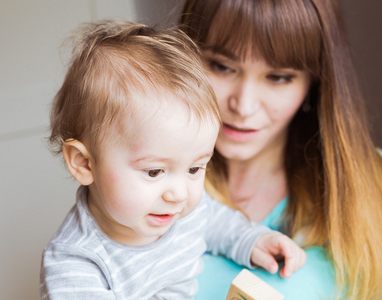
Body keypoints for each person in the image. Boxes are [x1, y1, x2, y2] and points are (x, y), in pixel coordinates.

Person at [39, 19, 306, 299]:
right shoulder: (75, 265)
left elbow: (217, 221)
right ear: (84, 164)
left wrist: (254, 241)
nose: (180, 194)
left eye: (194, 168)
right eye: (154, 172)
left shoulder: (177, 211)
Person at [178, 0, 382, 299]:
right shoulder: (135, 176)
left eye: (278, 77)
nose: (243, 106)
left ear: (315, 83)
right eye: (221, 66)